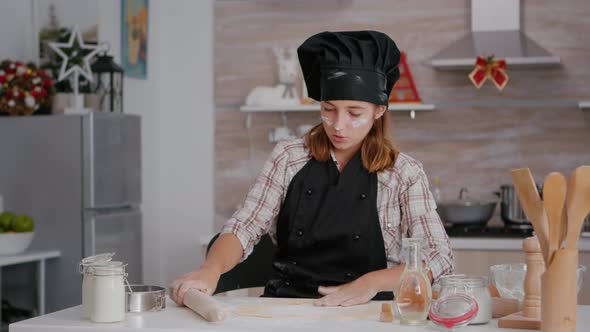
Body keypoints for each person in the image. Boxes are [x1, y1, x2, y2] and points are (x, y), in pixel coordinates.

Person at [170, 30, 454, 307]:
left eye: (354, 113)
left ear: (379, 111)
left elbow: (440, 256)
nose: (338, 125)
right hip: (287, 307)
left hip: (369, 313)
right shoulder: (288, 157)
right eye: (329, 109)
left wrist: (372, 283)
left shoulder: (403, 173)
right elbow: (244, 226)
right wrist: (211, 270)